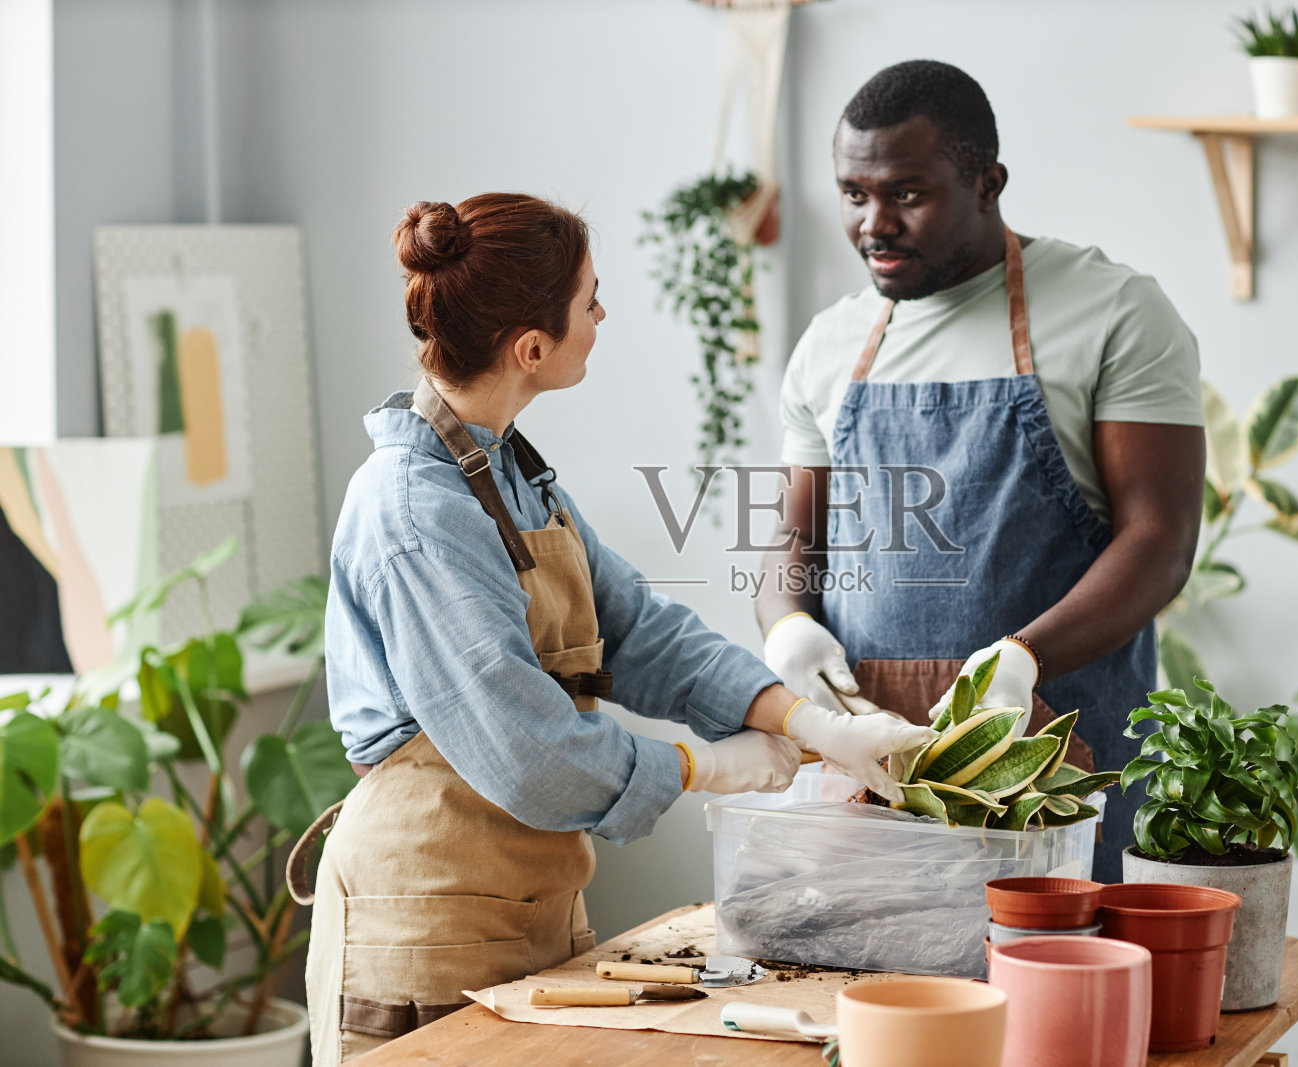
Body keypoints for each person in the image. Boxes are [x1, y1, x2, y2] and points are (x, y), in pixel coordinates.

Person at [289, 193, 934, 1065]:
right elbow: (528, 751)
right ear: (531, 347)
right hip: (425, 925)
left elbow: (639, 629)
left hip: (534, 905)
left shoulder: (512, 473)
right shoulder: (414, 509)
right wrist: (702, 766)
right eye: (589, 300)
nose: (602, 316)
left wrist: (807, 721)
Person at [757, 61, 1205, 882]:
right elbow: (794, 540)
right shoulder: (829, 345)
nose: (873, 224)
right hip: (872, 781)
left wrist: (1023, 660)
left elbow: (1161, 540)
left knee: (1053, 999)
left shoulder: (1113, 312)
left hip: (1053, 769)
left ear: (987, 181)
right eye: (854, 195)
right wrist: (787, 624)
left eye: (907, 194)